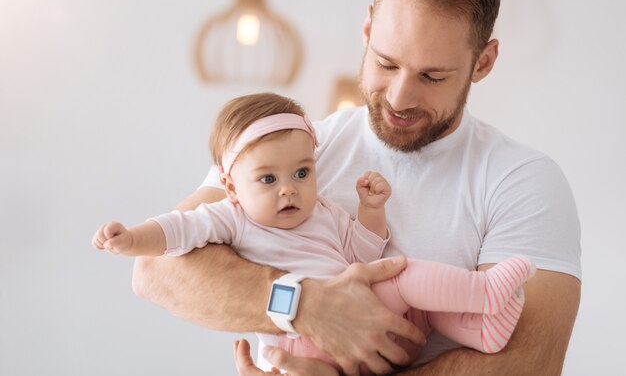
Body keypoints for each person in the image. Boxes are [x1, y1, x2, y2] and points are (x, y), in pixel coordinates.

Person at [132, 0, 582, 375]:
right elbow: (156, 270)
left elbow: (528, 363)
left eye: (433, 76)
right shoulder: (290, 149)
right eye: (387, 62)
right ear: (367, 29)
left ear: (482, 62)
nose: (400, 98)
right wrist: (307, 306)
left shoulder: (523, 181)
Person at [94, 93, 535, 372]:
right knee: (403, 275)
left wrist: (370, 211)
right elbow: (175, 233)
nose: (289, 189)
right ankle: (483, 293)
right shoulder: (232, 216)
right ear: (231, 186)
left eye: (302, 172)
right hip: (299, 345)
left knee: (418, 299)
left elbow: (364, 252)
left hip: (356, 338)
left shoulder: (322, 212)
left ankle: (480, 332)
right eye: (268, 180)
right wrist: (131, 238)